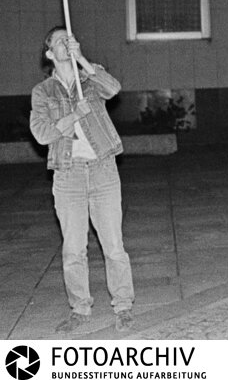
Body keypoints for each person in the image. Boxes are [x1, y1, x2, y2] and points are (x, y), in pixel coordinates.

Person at [29, 27, 135, 332]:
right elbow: (42, 133)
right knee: (73, 249)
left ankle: (123, 306)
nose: (66, 42)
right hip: (68, 173)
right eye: (59, 40)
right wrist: (75, 114)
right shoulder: (43, 92)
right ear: (50, 53)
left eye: (69, 38)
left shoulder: (89, 77)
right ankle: (80, 308)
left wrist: (84, 61)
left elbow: (113, 88)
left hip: (102, 169)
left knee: (113, 245)